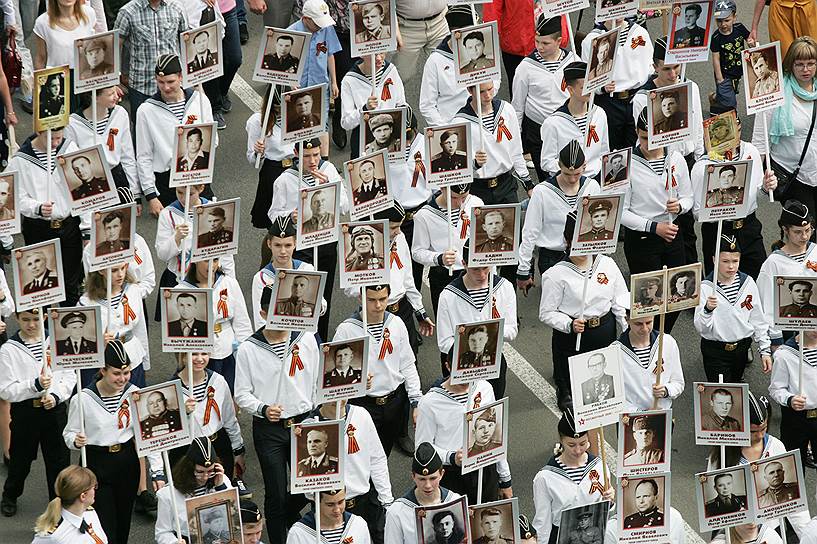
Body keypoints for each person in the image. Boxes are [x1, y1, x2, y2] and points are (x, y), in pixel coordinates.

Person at [234, 286, 319, 541]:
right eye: (275, 312)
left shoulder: (304, 338)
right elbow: (242, 393)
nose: (283, 317)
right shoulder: (249, 348)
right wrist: (262, 408)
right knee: (276, 493)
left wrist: (316, 414)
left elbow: (316, 381)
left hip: (304, 425)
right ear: (262, 312)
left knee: (308, 488)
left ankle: (302, 531)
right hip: (269, 430)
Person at [63, 340, 163, 544]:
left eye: (126, 373)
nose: (123, 378)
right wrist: (76, 440)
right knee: (105, 523)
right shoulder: (83, 398)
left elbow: (147, 434)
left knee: (123, 521)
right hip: (97, 463)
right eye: (117, 373)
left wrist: (157, 470)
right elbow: (69, 433)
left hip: (127, 460)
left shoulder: (134, 393)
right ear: (103, 370)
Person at [539, 212, 629, 409]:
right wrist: (568, 324)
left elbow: (620, 300)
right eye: (578, 240)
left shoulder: (607, 263)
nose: (584, 245)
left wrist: (627, 330)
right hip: (574, 336)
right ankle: (564, 389)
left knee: (603, 394)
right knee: (573, 394)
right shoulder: (555, 274)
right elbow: (546, 313)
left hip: (605, 330)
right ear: (567, 240)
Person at [267, 138, 348, 339]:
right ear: (296, 154)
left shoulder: (328, 170)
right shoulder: (285, 180)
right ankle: (300, 338)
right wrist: (289, 216)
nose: (313, 161)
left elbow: (345, 206)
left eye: (316, 155)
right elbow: (273, 213)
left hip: (327, 243)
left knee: (324, 295)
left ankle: (320, 339)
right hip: (302, 247)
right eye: (307, 156)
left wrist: (329, 189)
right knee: (303, 295)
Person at [622, 108, 692, 333]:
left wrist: (680, 206)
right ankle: (645, 339)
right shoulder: (624, 163)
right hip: (643, 238)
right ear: (636, 132)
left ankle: (662, 336)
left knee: (678, 295)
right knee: (648, 300)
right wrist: (654, 227)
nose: (649, 145)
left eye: (653, 139)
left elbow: (689, 196)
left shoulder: (675, 157)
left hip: (672, 231)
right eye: (643, 138)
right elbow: (621, 213)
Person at [0, 309, 75, 517]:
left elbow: (69, 375)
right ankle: (10, 494)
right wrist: (33, 385)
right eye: (25, 320)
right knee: (20, 460)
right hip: (26, 412)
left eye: (35, 319)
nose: (31, 325)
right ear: (17, 319)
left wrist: (56, 396)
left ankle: (59, 503)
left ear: (43, 317)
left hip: (54, 411)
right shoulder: (9, 350)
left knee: (58, 460)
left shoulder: (58, 340)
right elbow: (6, 389)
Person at [706, 391, 810, 536]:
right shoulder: (721, 455)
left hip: (770, 529)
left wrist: (807, 535)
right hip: (735, 531)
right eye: (753, 431)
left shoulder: (776, 446)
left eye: (764, 428)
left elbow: (793, 502)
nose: (760, 435)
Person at [334, 284, 421, 456]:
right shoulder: (346, 330)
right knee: (360, 457)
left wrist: (417, 401)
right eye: (372, 300)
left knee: (382, 456)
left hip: (393, 403)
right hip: (363, 405)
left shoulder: (396, 323)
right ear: (360, 298)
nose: (378, 306)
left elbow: (408, 364)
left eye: (382, 299)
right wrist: (356, 381)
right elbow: (333, 375)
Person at [691, 113, 776, 279]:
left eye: (732, 129)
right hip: (718, 230)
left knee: (759, 277)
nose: (728, 137)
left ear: (739, 128)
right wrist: (719, 209)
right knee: (718, 283)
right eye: (721, 132)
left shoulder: (750, 151)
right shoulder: (702, 166)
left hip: (748, 227)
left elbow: (757, 195)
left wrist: (766, 188)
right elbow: (696, 212)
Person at [10, 127, 85, 305]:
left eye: (59, 138)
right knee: (40, 287)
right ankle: (43, 330)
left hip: (69, 225)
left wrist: (87, 228)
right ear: (38, 132)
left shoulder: (69, 149)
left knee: (71, 284)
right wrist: (37, 208)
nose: (56, 143)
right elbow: (16, 198)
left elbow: (82, 190)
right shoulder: (20, 160)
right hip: (38, 228)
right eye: (52, 139)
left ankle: (69, 329)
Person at [304, 400, 392, 543]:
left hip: (365, 502)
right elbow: (307, 489)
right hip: (329, 509)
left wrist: (386, 500)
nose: (338, 400)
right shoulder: (308, 426)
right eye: (332, 393)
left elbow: (377, 459)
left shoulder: (361, 415)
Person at [136, 55, 216, 211]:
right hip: (167, 182)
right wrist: (151, 195)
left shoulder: (200, 101)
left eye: (170, 82)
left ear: (181, 77)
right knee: (172, 232)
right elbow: (144, 155)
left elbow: (214, 141)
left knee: (203, 230)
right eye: (161, 82)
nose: (166, 87)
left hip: (198, 175)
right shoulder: (146, 111)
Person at [416, 374, 511, 504]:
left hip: (485, 469)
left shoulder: (485, 388)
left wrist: (505, 479)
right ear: (448, 366)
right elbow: (422, 447)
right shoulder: (430, 402)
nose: (467, 377)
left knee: (484, 520)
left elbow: (495, 436)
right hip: (452, 475)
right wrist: (452, 457)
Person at [436, 243, 517, 396]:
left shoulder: (504, 287)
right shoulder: (448, 295)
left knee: (491, 412)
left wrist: (493, 332)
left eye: (486, 268)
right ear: (464, 264)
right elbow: (444, 342)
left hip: (493, 363)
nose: (482, 275)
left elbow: (512, 330)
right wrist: (469, 348)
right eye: (475, 269)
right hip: (462, 367)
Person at [518, 141, 601, 289]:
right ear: (559, 165)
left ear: (584, 166)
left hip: (584, 255)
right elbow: (530, 232)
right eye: (567, 173)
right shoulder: (542, 191)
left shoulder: (592, 187)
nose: (572, 179)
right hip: (552, 257)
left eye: (577, 174)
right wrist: (523, 270)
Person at [695, 235, 772, 383]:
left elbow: (758, 319)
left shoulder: (748, 283)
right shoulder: (705, 288)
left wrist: (765, 350)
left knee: (737, 389)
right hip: (715, 351)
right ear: (714, 260)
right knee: (721, 394)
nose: (731, 266)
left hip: (741, 348)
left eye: (735, 261)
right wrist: (707, 311)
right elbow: (702, 328)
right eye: (725, 261)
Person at [753, 37, 817, 213]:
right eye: (800, 64)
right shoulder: (773, 93)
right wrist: (757, 186)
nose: (806, 69)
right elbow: (759, 143)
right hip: (793, 177)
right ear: (790, 64)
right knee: (802, 235)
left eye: (811, 63)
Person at [531, 410, 615, 544]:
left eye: (583, 443)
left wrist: (609, 501)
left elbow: (606, 512)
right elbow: (542, 523)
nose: (578, 450)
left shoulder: (599, 466)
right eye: (571, 445)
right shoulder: (545, 478)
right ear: (561, 440)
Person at [511, 15, 576, 184]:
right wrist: (516, 139)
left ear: (559, 41)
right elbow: (517, 106)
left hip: (566, 129)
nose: (539, 47)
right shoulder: (526, 67)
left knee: (569, 176)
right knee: (547, 181)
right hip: (538, 131)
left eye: (545, 43)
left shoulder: (573, 61)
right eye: (537, 41)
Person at [580, 17, 653, 151]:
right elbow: (585, 79)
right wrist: (601, 87)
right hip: (609, 102)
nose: (618, 13)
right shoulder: (592, 39)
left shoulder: (640, 33)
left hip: (636, 99)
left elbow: (650, 67)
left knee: (636, 147)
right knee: (610, 148)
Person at [179, 260, 252, 392]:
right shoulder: (180, 290)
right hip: (199, 355)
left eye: (216, 260)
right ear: (195, 261)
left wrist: (245, 354)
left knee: (230, 395)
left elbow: (242, 323)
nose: (212, 265)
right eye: (206, 261)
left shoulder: (229, 283)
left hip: (228, 350)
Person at [420, 7, 500, 128]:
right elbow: (427, 106)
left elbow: (495, 79)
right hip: (454, 127)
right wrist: (447, 129)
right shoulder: (435, 61)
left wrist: (486, 95)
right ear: (455, 32)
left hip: (484, 120)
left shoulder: (485, 55)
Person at [412, 184, 484, 317]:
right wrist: (439, 258)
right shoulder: (424, 215)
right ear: (442, 188)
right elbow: (417, 252)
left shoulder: (476, 203)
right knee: (447, 321)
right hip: (444, 276)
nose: (459, 203)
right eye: (454, 197)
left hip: (473, 272)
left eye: (464, 197)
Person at [114, 0, 187, 119]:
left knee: (174, 128)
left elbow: (187, 43)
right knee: (142, 131)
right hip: (142, 86)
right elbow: (115, 46)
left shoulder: (177, 7)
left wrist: (191, 79)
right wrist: (115, 79)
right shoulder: (128, 12)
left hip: (173, 85)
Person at [80, 262, 150, 387]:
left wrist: (145, 363)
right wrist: (98, 343)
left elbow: (140, 329)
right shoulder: (86, 302)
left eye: (123, 268)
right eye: (114, 270)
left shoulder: (133, 291)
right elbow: (78, 343)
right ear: (101, 270)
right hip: (102, 365)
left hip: (132, 358)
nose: (121, 274)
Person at [64, 86, 140, 200]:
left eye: (115, 92)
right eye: (110, 94)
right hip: (91, 185)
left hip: (117, 178)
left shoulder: (120, 113)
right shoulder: (73, 124)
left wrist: (135, 192)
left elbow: (127, 155)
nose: (116, 97)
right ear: (94, 97)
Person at [758, 200, 817, 346]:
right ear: (785, 230)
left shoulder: (815, 251)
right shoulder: (773, 263)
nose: (804, 236)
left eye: (808, 230)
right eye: (798, 232)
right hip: (788, 332)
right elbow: (767, 304)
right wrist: (775, 339)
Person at [155, 437, 235, 544]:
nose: (205, 477)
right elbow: (162, 533)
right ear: (189, 468)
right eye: (200, 472)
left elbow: (232, 515)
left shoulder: (222, 480)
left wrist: (220, 487)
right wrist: (174, 542)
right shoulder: (168, 495)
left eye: (210, 471)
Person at [287, 0, 342, 156]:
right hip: (300, 87)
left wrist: (334, 82)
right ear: (305, 19)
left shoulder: (326, 29)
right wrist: (290, 81)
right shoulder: (292, 31)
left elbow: (330, 53)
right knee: (299, 125)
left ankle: (324, 161)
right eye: (317, 23)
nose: (320, 26)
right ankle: (300, 159)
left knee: (322, 124)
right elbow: (284, 64)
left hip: (320, 84)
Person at [539, 62, 609, 181]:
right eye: (584, 87)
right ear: (570, 90)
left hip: (595, 179)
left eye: (591, 85)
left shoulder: (599, 113)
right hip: (569, 181)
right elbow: (546, 162)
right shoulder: (553, 123)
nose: (590, 90)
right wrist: (571, 167)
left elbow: (604, 151)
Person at [251, 216, 324, 329]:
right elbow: (260, 318)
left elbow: (322, 305)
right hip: (276, 337)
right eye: (278, 245)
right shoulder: (262, 278)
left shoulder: (306, 269)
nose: (283, 251)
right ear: (269, 244)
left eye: (288, 245)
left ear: (295, 244)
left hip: (304, 335)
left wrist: (315, 308)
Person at [385, 442, 463, 544]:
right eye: (422, 479)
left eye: (433, 478)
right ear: (413, 476)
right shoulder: (397, 512)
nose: (428, 485)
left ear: (442, 474)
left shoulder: (455, 501)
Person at [340, 52, 407, 159]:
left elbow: (401, 103)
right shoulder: (349, 80)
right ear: (361, 54)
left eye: (381, 52)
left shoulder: (391, 70)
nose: (379, 58)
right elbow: (346, 123)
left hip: (393, 144)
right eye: (374, 55)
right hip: (362, 143)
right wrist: (365, 109)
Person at [614, 313, 684, 412]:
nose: (645, 328)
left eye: (648, 322)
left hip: (662, 414)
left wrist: (666, 390)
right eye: (638, 324)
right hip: (630, 420)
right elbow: (614, 398)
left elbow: (678, 383)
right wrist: (638, 412)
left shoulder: (667, 342)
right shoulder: (615, 351)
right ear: (627, 319)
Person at [246, 86, 294, 230]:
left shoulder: (298, 116)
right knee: (275, 226)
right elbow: (252, 159)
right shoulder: (257, 121)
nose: (284, 110)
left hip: (296, 169)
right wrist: (257, 152)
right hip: (274, 171)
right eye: (279, 106)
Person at [770, 329, 817, 467]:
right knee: (793, 466)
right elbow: (776, 389)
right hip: (796, 418)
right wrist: (789, 399)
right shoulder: (784, 354)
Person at [30, 466, 107, 543]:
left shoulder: (90, 513)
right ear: (83, 496)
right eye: (94, 487)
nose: (95, 491)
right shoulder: (54, 536)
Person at [287, 487, 372, 544]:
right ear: (316, 500)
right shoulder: (298, 533)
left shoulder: (358, 525)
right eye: (330, 504)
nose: (337, 510)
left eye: (341, 502)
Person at [710, 0, 750, 106]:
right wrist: (720, 79)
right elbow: (715, 58)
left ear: (734, 17)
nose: (723, 24)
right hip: (724, 74)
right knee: (730, 101)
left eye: (727, 20)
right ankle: (733, 118)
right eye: (719, 21)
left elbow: (750, 40)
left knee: (733, 93)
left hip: (739, 70)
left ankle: (716, 97)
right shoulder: (716, 37)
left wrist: (751, 43)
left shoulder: (739, 28)